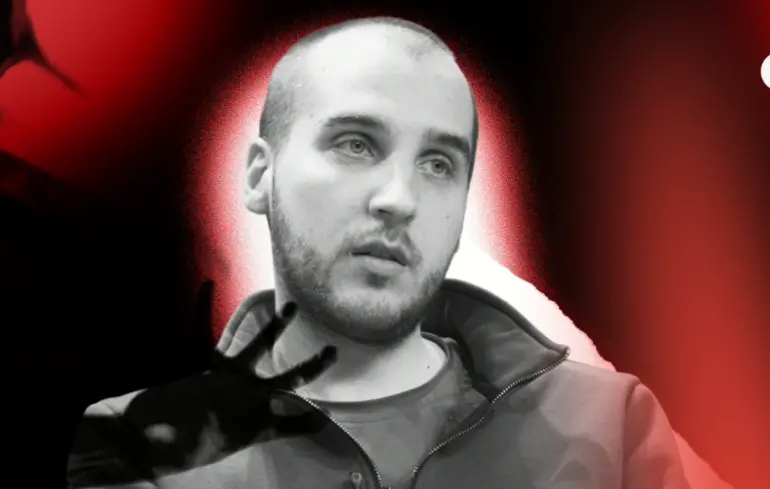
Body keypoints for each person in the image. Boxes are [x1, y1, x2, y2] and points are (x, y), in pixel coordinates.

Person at [68, 17, 700, 489]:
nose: (398, 199)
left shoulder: (610, 425)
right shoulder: (137, 448)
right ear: (261, 176)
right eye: (355, 144)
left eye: (438, 163)